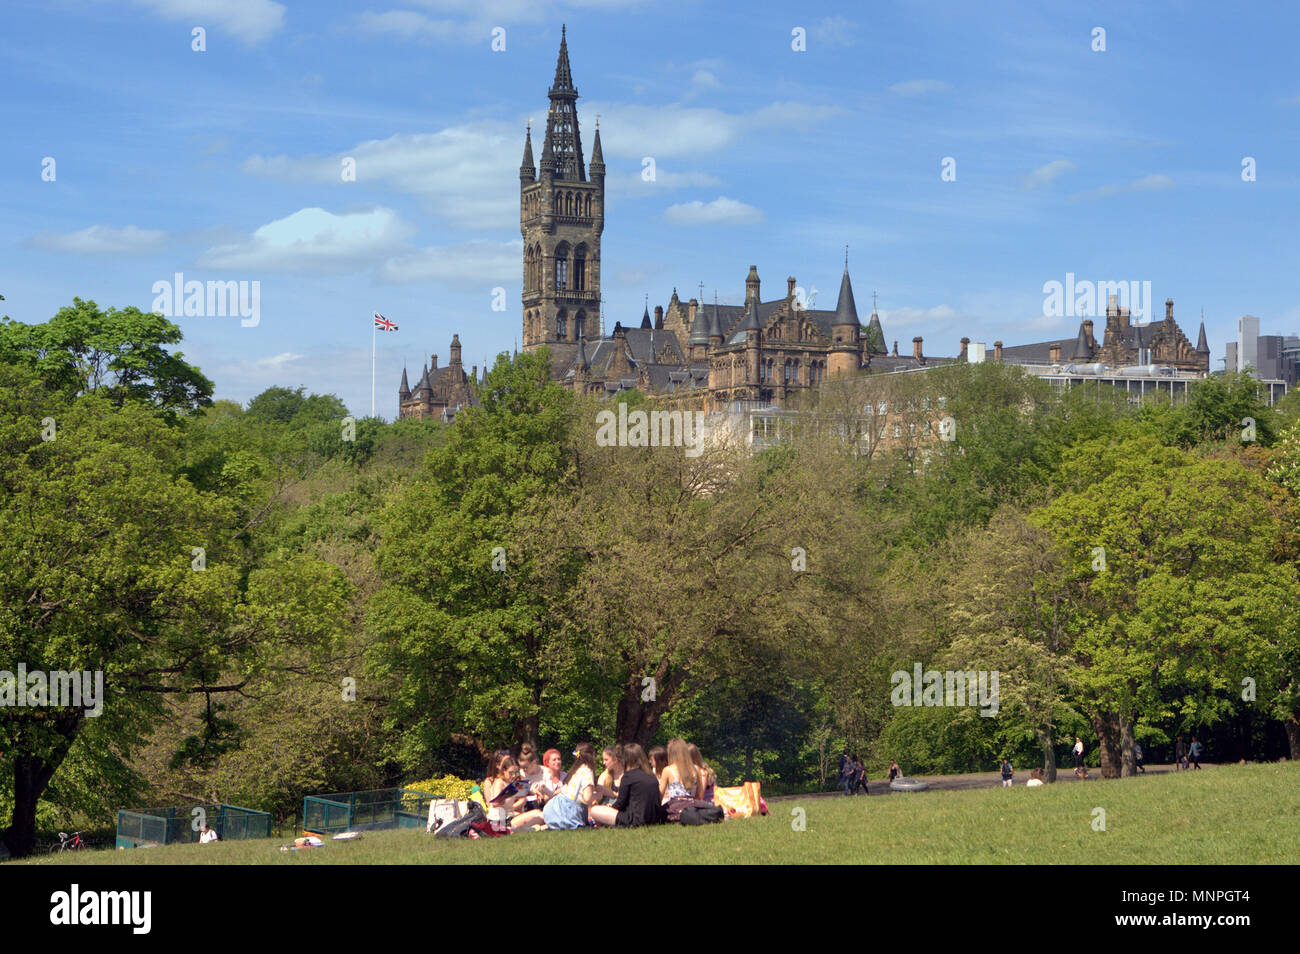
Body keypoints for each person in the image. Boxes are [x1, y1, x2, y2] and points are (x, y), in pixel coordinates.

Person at [589, 744, 664, 828]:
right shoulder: (651, 776)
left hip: (634, 819)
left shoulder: (628, 777)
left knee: (594, 810)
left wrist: (610, 807)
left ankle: (600, 825)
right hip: (653, 818)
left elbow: (620, 804)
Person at [539, 743, 596, 830]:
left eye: (559, 759)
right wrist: (599, 795)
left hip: (552, 807)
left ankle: (539, 828)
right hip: (568, 811)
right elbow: (587, 798)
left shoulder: (575, 770)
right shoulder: (587, 770)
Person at [484, 755, 527, 832]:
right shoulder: (500, 782)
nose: (514, 776)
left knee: (536, 816)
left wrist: (533, 790)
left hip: (509, 816)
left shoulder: (514, 782)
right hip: (498, 820)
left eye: (516, 773)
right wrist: (508, 794)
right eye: (511, 773)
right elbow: (495, 803)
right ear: (504, 770)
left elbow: (523, 799)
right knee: (536, 815)